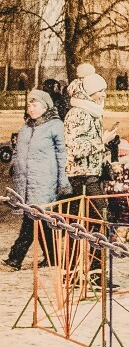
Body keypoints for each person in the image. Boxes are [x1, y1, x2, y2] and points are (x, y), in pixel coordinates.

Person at [4, 89, 70, 270]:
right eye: (29, 105)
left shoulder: (55, 126)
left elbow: (62, 155)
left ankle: (15, 258)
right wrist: (13, 168)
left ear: (45, 106)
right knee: (42, 220)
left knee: (32, 218)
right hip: (25, 182)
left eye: (35, 105)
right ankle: (52, 257)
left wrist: (62, 181)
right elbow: (18, 152)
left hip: (44, 182)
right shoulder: (25, 128)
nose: (30, 108)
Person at [64, 64, 116, 273]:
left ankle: (81, 270)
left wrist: (105, 158)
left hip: (90, 174)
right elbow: (76, 147)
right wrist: (101, 141)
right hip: (83, 176)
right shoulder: (79, 114)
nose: (103, 95)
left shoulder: (91, 112)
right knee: (98, 220)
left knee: (83, 224)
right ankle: (92, 271)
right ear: (89, 93)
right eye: (99, 91)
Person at [104, 137, 129, 238]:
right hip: (126, 193)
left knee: (113, 213)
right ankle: (122, 234)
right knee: (125, 214)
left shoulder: (109, 165)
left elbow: (106, 179)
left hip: (111, 193)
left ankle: (112, 232)